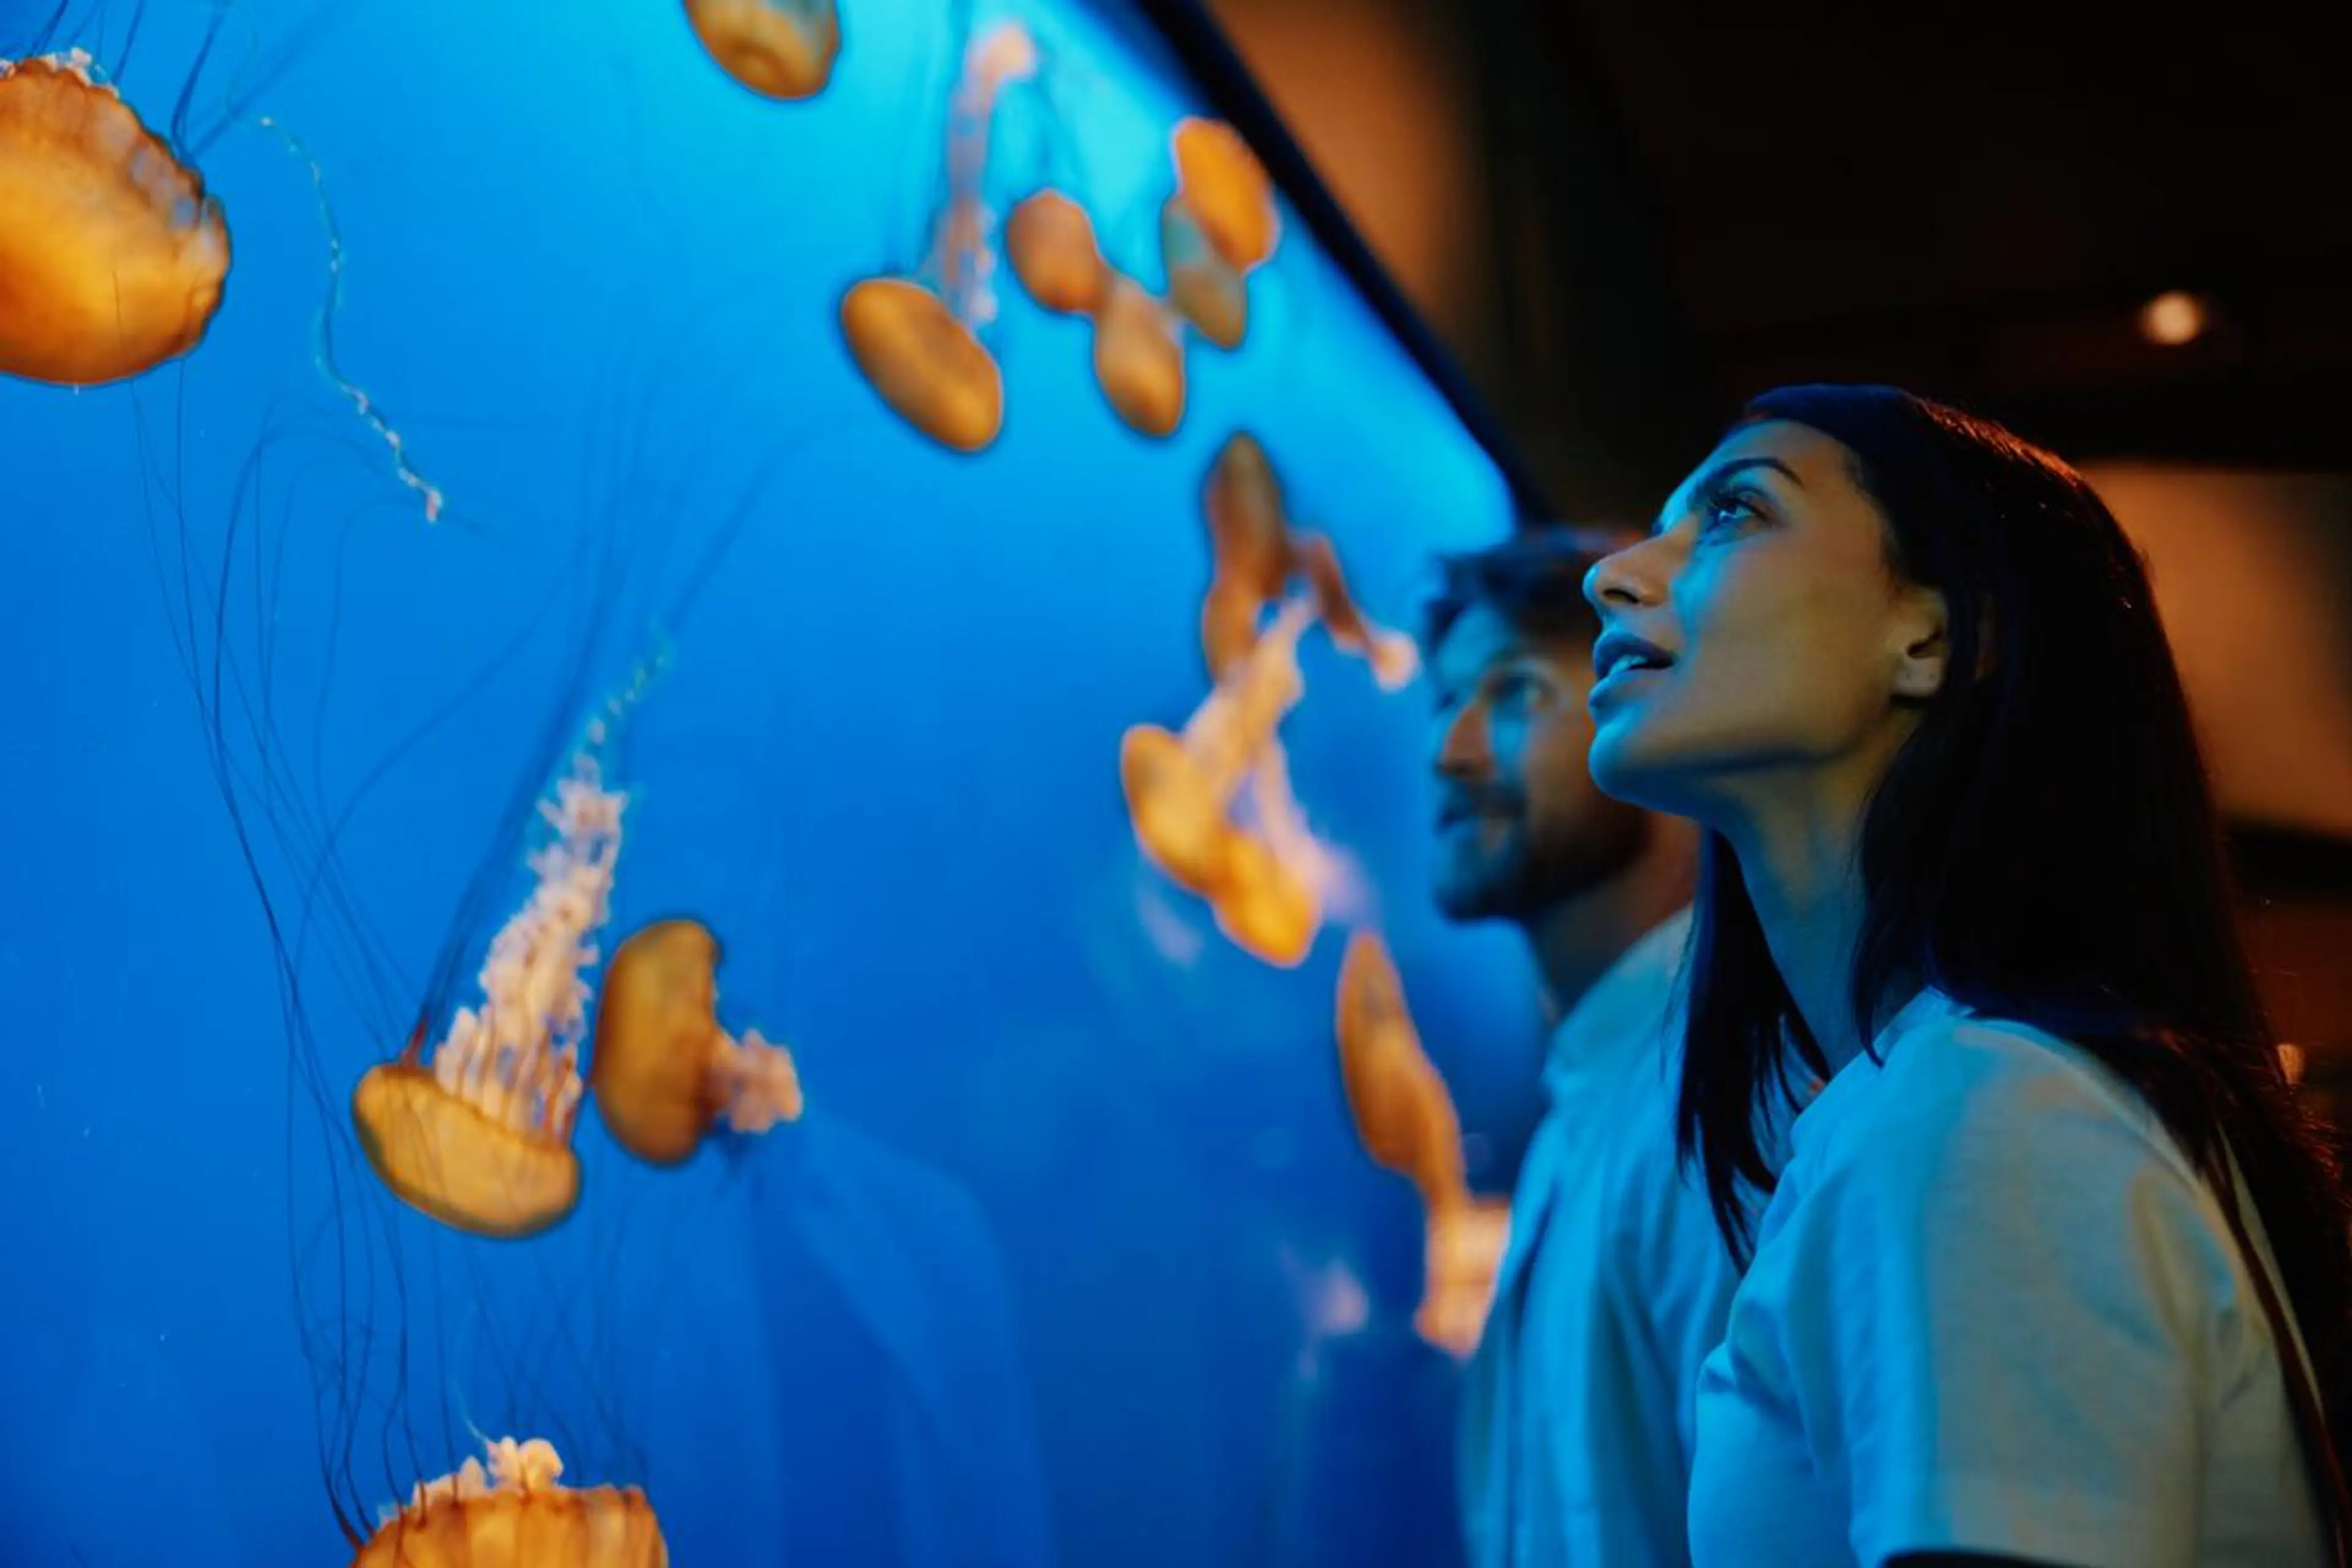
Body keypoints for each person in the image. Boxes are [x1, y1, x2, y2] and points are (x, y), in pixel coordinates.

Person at [1581, 383, 2352, 1567]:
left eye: (1736, 512)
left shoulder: (1990, 1113)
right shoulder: (1953, 1102)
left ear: (1935, 638)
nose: (1617, 572)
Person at [1424, 526, 1740, 1567]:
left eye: (1515, 694)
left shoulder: (1722, 1104)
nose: (1453, 750)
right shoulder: (1590, 1104)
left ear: (1655, 717)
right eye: (1445, 701)